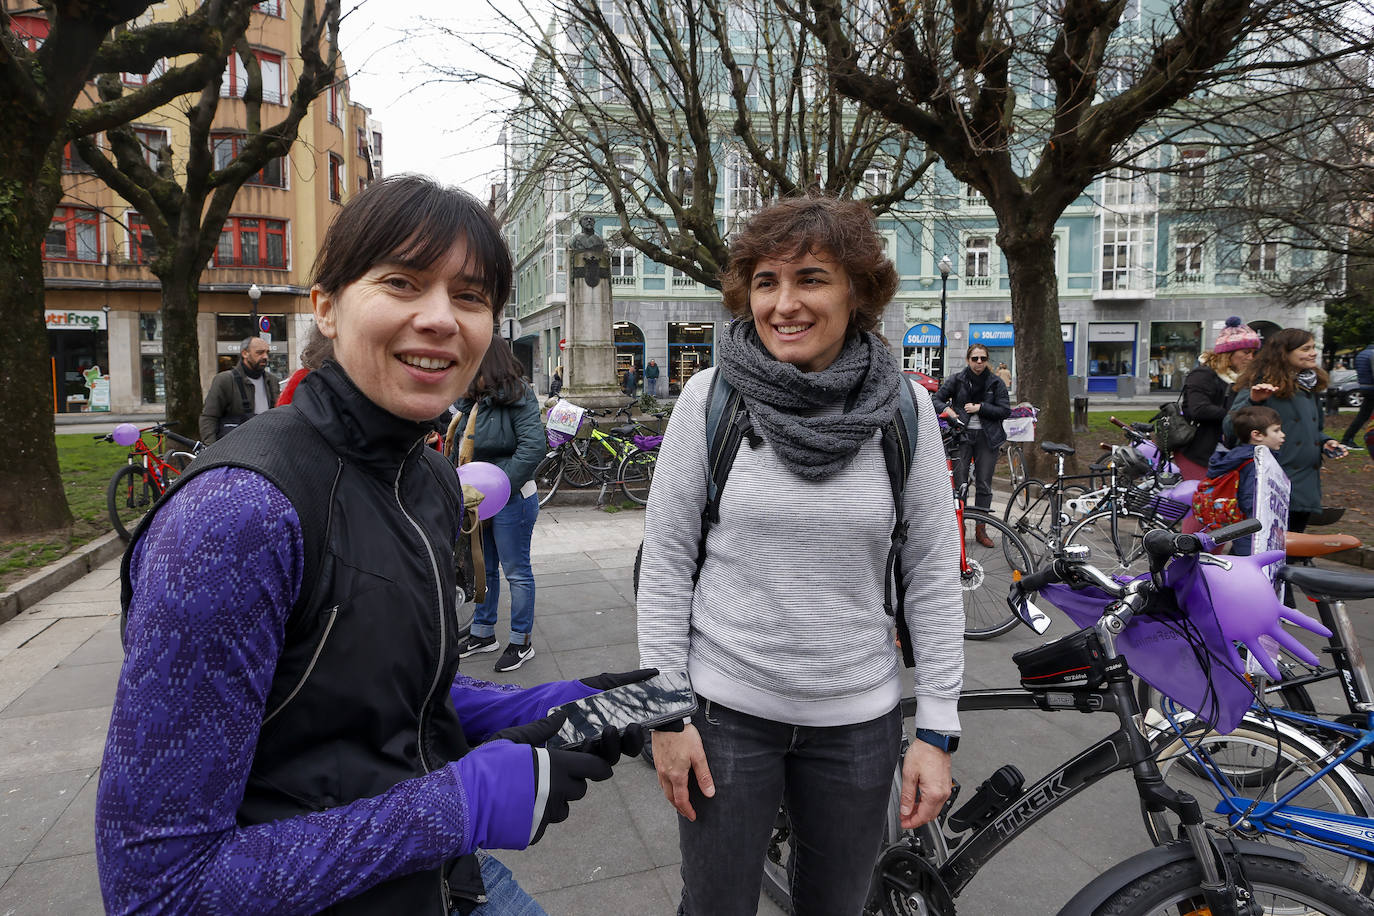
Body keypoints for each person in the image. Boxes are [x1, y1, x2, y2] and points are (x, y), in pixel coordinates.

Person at [95, 175, 650, 916]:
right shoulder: (238, 517)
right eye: (402, 282)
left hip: (442, 882)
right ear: (325, 305)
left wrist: (537, 706)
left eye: (471, 296)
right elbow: (159, 888)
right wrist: (459, 805)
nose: (440, 319)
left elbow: (367, 684)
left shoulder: (426, 476)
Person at [636, 196, 963, 916]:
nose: (784, 304)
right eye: (765, 282)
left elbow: (933, 573)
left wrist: (936, 729)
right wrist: (665, 717)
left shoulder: (905, 411)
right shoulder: (708, 399)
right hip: (727, 714)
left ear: (857, 291)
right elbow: (663, 563)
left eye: (811, 278)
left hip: (857, 721)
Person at [454, 336, 547, 672]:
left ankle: (521, 642)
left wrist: (497, 484)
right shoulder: (475, 403)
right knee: (484, 568)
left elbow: (533, 448)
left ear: (487, 365)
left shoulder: (518, 397)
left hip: (511, 498)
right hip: (480, 500)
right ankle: (482, 633)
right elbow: (464, 447)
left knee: (517, 573)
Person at [1225, 327, 1350, 533]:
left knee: (1291, 549)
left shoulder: (1309, 385)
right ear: (1285, 353)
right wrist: (1253, 400)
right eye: (1305, 348)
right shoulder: (1261, 383)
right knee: (1264, 549)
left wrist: (1325, 441)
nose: (1313, 353)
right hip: (1273, 481)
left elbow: (1312, 429)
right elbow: (1230, 427)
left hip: (1304, 483)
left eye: (1313, 347)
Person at [933, 343, 1011, 547]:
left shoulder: (995, 382)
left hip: (988, 437)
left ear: (987, 361)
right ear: (968, 359)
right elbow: (936, 399)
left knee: (984, 483)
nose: (979, 362)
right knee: (960, 485)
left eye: (983, 359)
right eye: (975, 358)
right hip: (962, 435)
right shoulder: (958, 379)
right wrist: (948, 411)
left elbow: (1004, 410)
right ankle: (959, 529)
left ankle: (981, 528)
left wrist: (981, 408)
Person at [1176, 317, 1261, 483]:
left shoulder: (1246, 380)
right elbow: (1198, 409)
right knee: (1199, 500)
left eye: (1253, 353)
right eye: (1246, 352)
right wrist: (1236, 416)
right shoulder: (1203, 375)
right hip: (1200, 453)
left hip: (1234, 453)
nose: (1251, 357)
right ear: (1228, 353)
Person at [1203, 405, 1286, 556]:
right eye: (1276, 430)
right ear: (1257, 435)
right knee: (1251, 567)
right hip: (1252, 528)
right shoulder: (1255, 463)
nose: (1282, 435)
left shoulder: (1242, 456)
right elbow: (1250, 500)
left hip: (1242, 527)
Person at [199, 336, 279, 443]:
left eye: (267, 352)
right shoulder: (225, 380)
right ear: (245, 353)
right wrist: (210, 448)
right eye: (259, 353)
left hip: (266, 444)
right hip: (234, 447)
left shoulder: (272, 381)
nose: (265, 357)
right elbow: (209, 417)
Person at [1339, 340, 1373, 448]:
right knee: (1363, 415)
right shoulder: (1372, 354)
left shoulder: (1361, 354)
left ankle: (1346, 439)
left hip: (1364, 387)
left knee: (1362, 416)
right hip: (1372, 388)